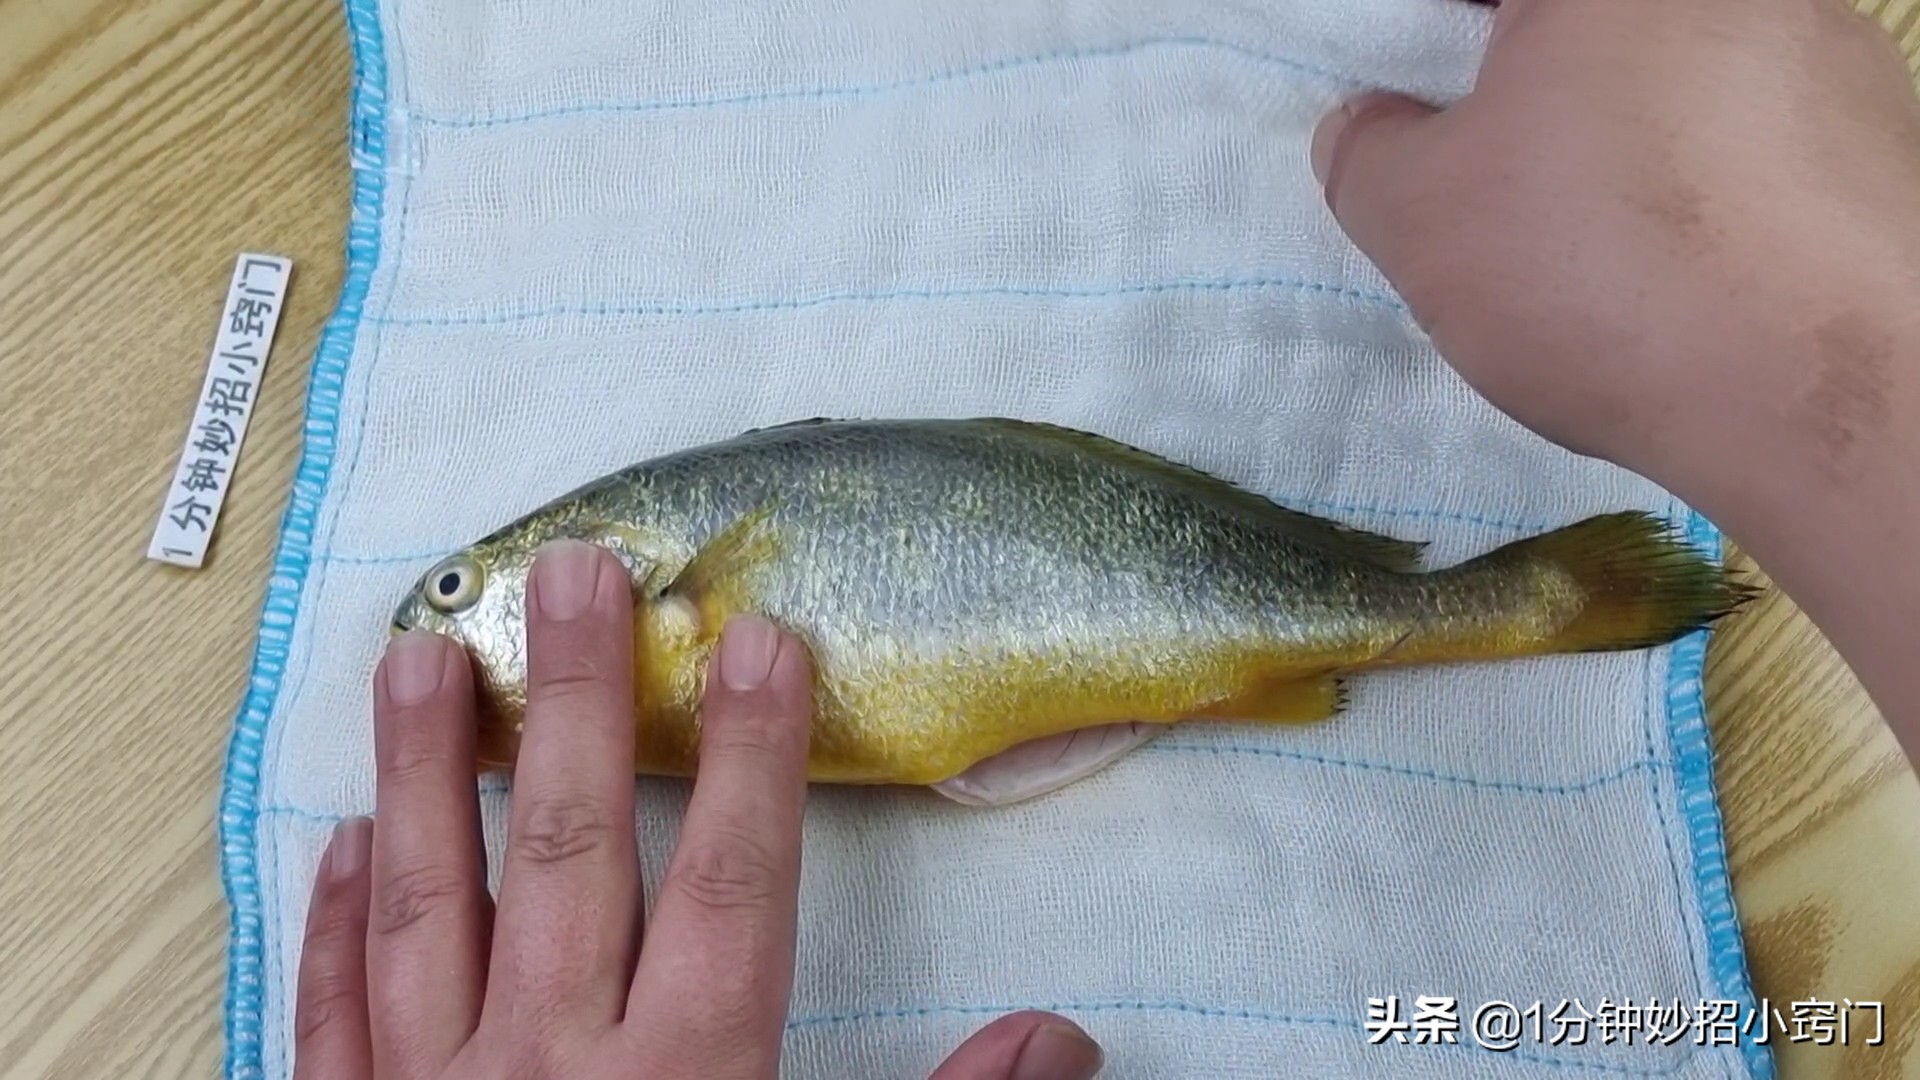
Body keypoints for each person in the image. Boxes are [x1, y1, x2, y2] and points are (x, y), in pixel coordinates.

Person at [288, 1, 1920, 1076]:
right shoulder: (639, 643)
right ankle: (1495, 602)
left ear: (612, 574)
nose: (443, 626)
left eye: (459, 593)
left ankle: (1498, 603)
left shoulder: (666, 593)